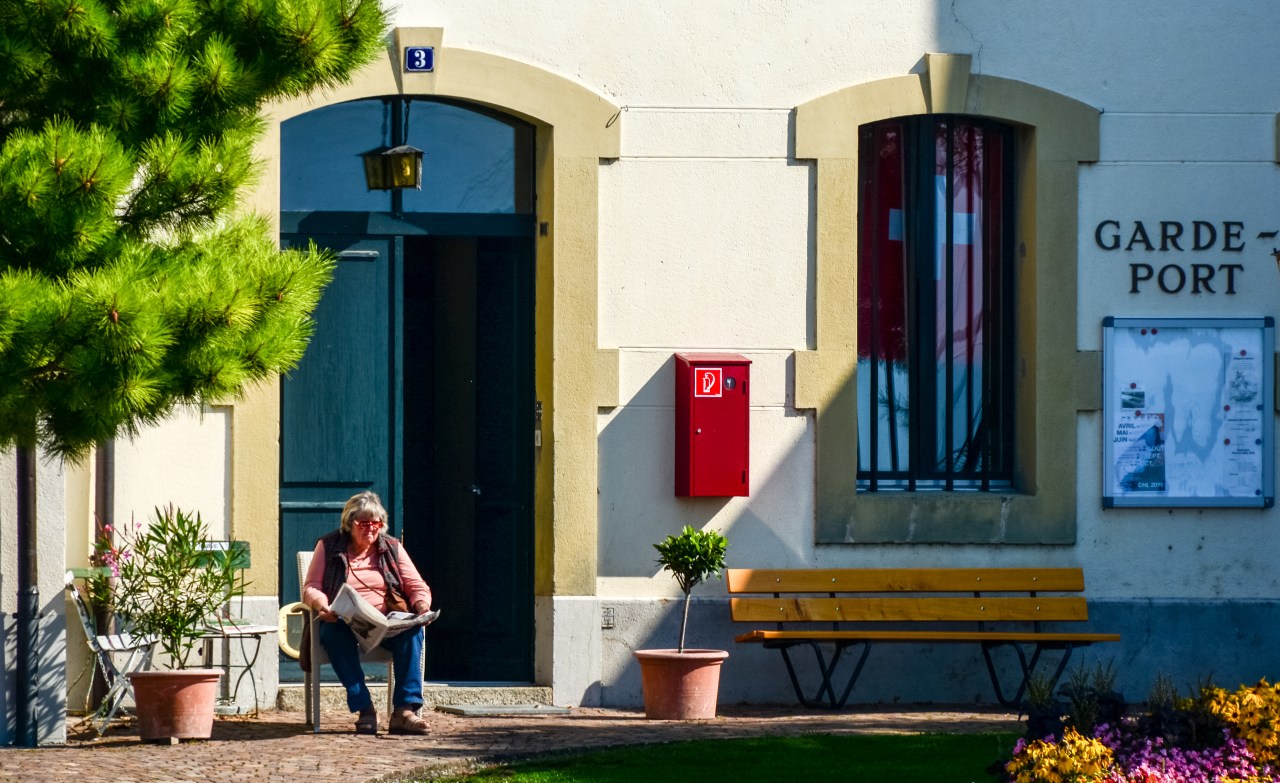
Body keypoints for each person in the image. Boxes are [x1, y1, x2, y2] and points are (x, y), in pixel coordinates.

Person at [302, 491, 433, 735]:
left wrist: (422, 606)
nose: (371, 529)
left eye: (376, 523)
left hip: (384, 623)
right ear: (349, 523)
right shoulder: (328, 545)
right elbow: (311, 587)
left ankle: (404, 711)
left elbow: (416, 586)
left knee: (413, 632)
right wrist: (322, 606)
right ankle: (365, 709)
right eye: (364, 523)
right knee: (332, 635)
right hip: (344, 621)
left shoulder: (391, 547)